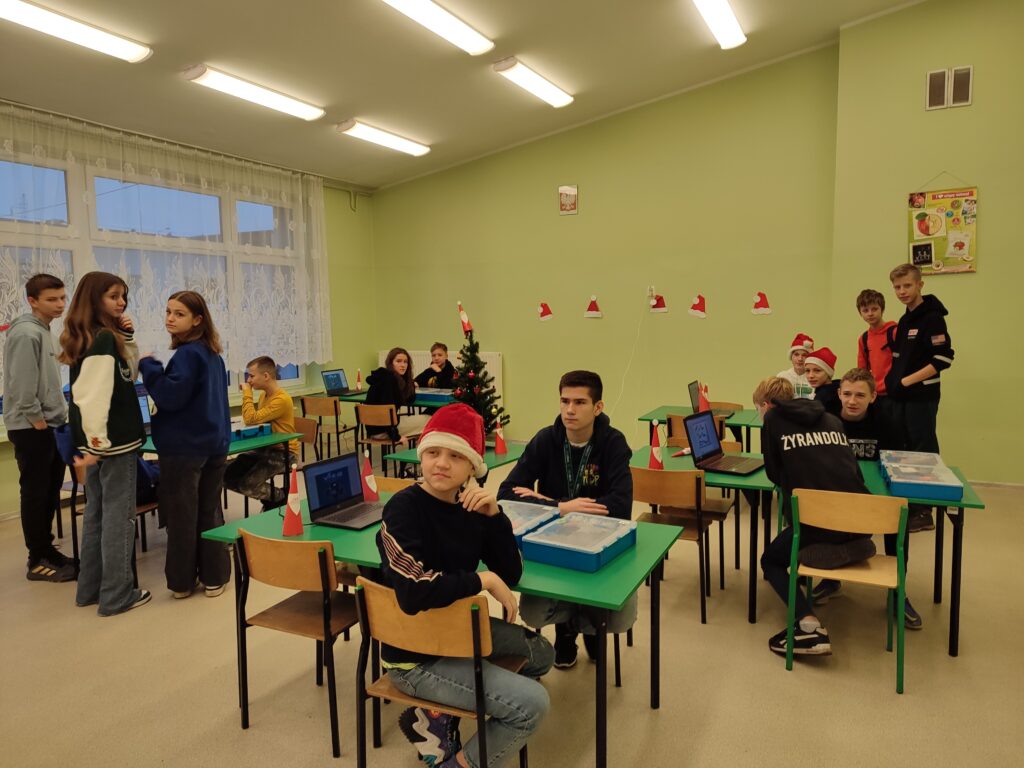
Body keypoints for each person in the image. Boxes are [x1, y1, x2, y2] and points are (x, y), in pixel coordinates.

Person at [377, 403, 553, 768]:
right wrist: (481, 579)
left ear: (472, 467)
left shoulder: (471, 507)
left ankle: (434, 717)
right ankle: (457, 764)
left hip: (458, 630)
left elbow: (511, 574)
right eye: (433, 453)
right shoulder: (403, 509)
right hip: (415, 655)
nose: (441, 464)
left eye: (455, 456)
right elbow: (413, 591)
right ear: (421, 457)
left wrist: (495, 518)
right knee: (532, 705)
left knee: (542, 656)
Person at [497, 370, 633, 669]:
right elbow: (506, 493)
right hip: (551, 541)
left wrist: (545, 502)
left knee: (620, 618)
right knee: (533, 613)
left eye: (580, 402)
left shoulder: (613, 443)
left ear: (598, 407)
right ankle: (571, 627)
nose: (570, 410)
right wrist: (560, 507)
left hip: (598, 540)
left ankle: (587, 626)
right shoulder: (546, 439)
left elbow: (621, 506)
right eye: (564, 401)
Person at [754, 376, 874, 656]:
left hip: (820, 520)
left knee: (770, 561)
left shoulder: (772, 420)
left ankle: (808, 626)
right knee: (819, 531)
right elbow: (854, 472)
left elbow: (774, 473)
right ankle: (850, 546)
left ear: (767, 405)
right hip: (862, 518)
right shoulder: (831, 419)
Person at [59, 272, 150, 615]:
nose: (121, 302)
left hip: (99, 444)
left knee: (97, 513)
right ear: (94, 299)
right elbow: (92, 397)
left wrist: (128, 337)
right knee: (119, 518)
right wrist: (96, 445)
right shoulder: (102, 340)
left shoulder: (96, 336)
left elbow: (129, 373)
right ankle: (116, 595)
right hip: (113, 444)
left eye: (123, 295)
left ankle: (90, 589)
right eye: (113, 296)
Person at [139, 291, 231, 599]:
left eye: (179, 314)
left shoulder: (187, 355)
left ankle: (181, 582)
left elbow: (170, 396)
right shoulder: (212, 355)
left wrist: (148, 366)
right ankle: (215, 577)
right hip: (214, 444)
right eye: (168, 312)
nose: (170, 318)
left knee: (182, 517)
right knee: (209, 512)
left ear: (197, 320)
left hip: (184, 449)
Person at [815, 368, 921, 629]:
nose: (852, 401)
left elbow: (896, 464)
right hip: (837, 495)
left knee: (897, 518)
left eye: (860, 395)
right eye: (847, 394)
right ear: (839, 393)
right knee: (819, 516)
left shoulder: (887, 422)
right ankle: (830, 579)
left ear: (873, 397)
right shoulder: (825, 419)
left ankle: (897, 591)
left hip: (875, 499)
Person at [3, 273, 75, 582]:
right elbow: (21, 386)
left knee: (48, 491)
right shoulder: (26, 334)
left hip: (50, 424)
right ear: (32, 301)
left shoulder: (44, 330)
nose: (60, 304)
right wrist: (38, 421)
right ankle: (38, 559)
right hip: (33, 427)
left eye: (62, 298)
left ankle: (47, 549)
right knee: (35, 492)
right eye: (51, 299)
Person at [885, 263, 955, 532]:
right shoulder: (905, 320)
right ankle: (909, 503)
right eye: (897, 287)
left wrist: (906, 381)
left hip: (921, 396)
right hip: (901, 396)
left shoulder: (932, 318)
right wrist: (894, 383)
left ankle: (924, 511)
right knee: (903, 448)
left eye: (907, 286)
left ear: (920, 285)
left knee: (922, 449)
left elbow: (943, 358)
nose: (902, 291)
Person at [222, 356, 298, 511]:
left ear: (266, 376)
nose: (248, 380)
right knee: (224, 476)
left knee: (248, 485)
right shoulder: (264, 395)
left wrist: (247, 394)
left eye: (251, 376)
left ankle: (280, 497)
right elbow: (256, 421)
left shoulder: (281, 399)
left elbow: (250, 418)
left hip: (284, 453)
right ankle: (272, 500)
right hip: (265, 448)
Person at [364, 346, 429, 445]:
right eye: (398, 361)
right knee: (431, 420)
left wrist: (409, 383)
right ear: (391, 363)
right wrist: (396, 437)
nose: (403, 365)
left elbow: (410, 399)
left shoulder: (387, 377)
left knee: (425, 420)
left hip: (374, 429)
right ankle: (421, 449)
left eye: (405, 362)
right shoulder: (389, 380)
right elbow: (387, 411)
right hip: (384, 431)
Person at [854, 289, 898, 413]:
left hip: (895, 393)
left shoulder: (895, 332)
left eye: (874, 309)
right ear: (860, 313)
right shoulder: (864, 339)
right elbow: (862, 370)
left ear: (882, 309)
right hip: (875, 395)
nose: (870, 314)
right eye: (865, 310)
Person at [776, 332, 815, 399]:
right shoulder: (782, 377)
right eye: (796, 354)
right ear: (791, 357)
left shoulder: (815, 378)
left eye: (804, 355)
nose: (800, 359)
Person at [804, 347, 840, 414]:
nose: (811, 376)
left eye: (817, 371)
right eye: (807, 371)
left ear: (828, 372)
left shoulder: (823, 397)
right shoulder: (836, 388)